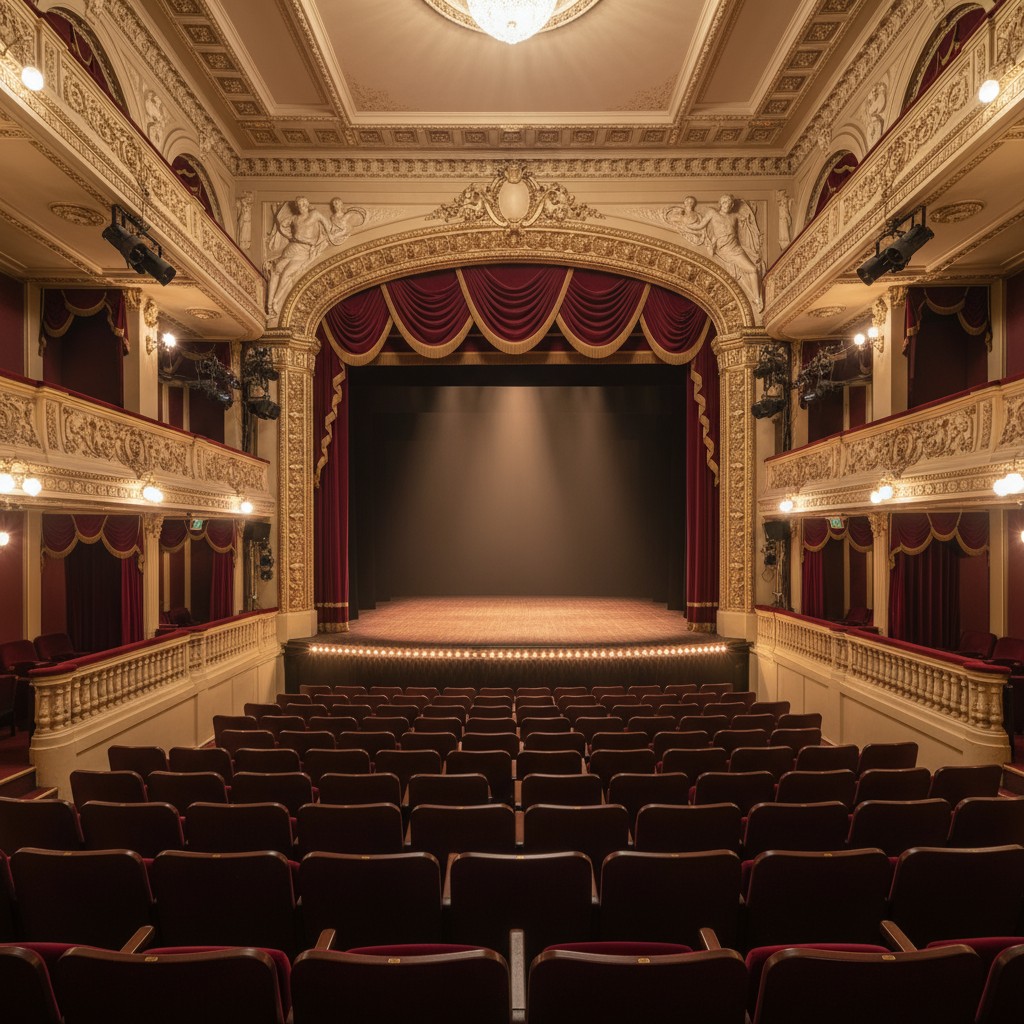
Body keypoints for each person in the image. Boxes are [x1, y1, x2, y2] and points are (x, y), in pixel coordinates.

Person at [680, 193, 763, 309]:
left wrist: (750, 214)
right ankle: (756, 299)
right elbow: (700, 226)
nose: (726, 205)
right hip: (724, 249)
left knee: (753, 269)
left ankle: (757, 299)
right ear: (720, 204)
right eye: (724, 202)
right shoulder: (712, 213)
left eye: (729, 202)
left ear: (732, 204)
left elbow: (747, 222)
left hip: (736, 248)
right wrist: (685, 224)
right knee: (751, 269)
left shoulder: (735, 216)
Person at [265, 196, 333, 317]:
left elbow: (327, 225)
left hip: (304, 250)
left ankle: (276, 301)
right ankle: (269, 305)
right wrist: (290, 236)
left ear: (307, 205)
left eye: (303, 204)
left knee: (287, 273)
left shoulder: (315, 214)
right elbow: (282, 225)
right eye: (299, 205)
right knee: (275, 270)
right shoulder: (295, 218)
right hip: (292, 247)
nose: (301, 207)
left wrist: (329, 237)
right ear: (297, 206)